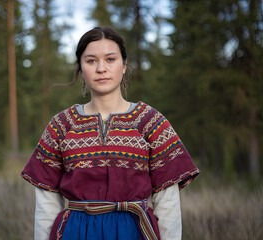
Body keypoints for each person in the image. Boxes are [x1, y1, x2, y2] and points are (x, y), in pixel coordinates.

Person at [21, 26, 199, 240]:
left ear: (124, 66)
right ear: (80, 68)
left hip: (134, 232)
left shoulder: (152, 122)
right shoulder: (60, 125)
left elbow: (168, 206)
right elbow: (46, 207)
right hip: (76, 233)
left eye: (110, 59)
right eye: (91, 61)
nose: (101, 69)